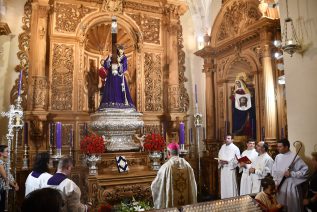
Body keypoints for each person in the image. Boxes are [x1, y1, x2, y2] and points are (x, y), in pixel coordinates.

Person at [151, 143, 197, 209]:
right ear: (179, 152)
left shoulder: (166, 167)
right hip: (186, 205)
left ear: (169, 153)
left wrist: (152, 185)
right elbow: (193, 185)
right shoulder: (187, 165)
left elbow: (156, 185)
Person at [272, 139, 309, 212]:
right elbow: (274, 171)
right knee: (280, 207)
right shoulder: (278, 157)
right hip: (279, 186)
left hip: (290, 187)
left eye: (280, 147)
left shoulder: (295, 157)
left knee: (291, 208)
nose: (278, 148)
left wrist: (292, 173)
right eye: (277, 146)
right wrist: (275, 182)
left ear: (286, 147)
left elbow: (306, 171)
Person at [99, 44, 134, 110]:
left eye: (122, 52)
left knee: (119, 89)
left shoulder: (124, 58)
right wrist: (109, 58)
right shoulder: (112, 56)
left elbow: (124, 67)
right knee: (111, 89)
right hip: (111, 77)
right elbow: (106, 66)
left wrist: (118, 63)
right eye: (119, 51)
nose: (121, 53)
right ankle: (111, 103)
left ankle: (120, 103)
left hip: (119, 77)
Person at [218, 134, 240, 198]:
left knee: (231, 186)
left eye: (229, 138)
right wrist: (220, 161)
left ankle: (232, 199)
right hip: (223, 169)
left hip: (230, 170)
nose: (227, 140)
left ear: (232, 140)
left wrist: (229, 162)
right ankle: (224, 199)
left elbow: (238, 160)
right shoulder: (223, 146)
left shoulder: (235, 148)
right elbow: (219, 156)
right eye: (226, 138)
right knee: (224, 185)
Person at [0, 144, 19, 211]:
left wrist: (15, 182)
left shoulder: (5, 162)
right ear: (1, 153)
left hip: (5, 187)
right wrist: (14, 185)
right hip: (1, 188)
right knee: (2, 206)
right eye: (7, 151)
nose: (8, 153)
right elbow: (5, 177)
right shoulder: (0, 163)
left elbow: (9, 174)